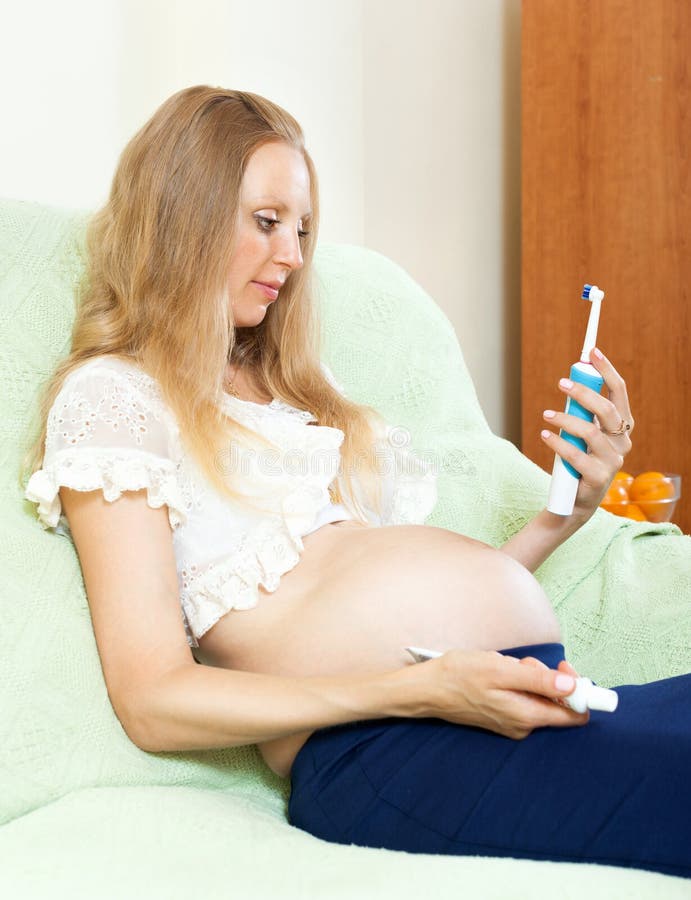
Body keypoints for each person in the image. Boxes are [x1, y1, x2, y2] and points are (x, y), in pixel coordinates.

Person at [22, 86, 690, 878]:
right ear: (180, 217)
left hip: (504, 695)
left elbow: (410, 625)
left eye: (301, 230)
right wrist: (418, 692)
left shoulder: (297, 397)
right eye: (266, 223)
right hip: (387, 751)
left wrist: (566, 512)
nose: (295, 257)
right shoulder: (117, 398)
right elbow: (152, 698)